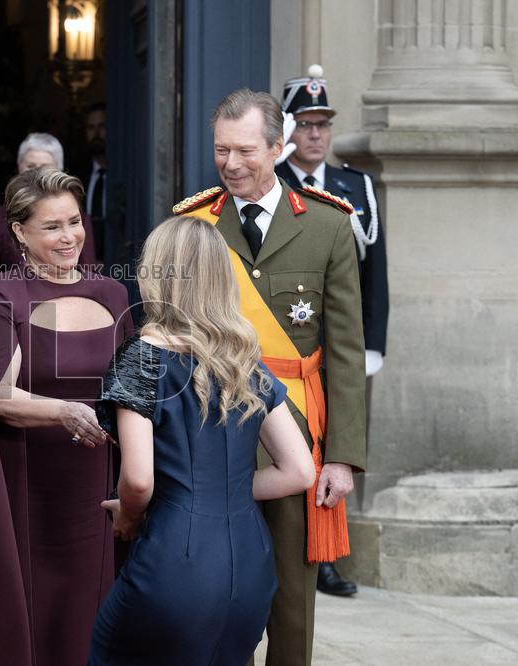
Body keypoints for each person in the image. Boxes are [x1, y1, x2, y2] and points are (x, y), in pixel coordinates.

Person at [170, 88, 366, 666]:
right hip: (211, 428)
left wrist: (342, 457)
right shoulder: (192, 225)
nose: (231, 165)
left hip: (298, 433)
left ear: (278, 148)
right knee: (208, 589)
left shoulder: (328, 226)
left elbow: (347, 351)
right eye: (221, 151)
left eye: (246, 151)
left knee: (291, 598)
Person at [88, 215, 316, 665]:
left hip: (176, 563)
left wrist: (130, 517)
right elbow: (300, 471)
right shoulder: (244, 359)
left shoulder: (142, 356)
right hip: (250, 566)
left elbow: (137, 481)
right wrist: (217, 490)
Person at [0, 167, 134, 666]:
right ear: (18, 232)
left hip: (97, 486)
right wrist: (63, 411)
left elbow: (136, 389)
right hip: (28, 489)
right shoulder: (1, 297)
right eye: (52, 226)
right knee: (35, 621)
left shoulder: (113, 293)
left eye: (74, 222)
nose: (69, 237)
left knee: (92, 618)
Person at [275, 66, 390, 598]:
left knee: (334, 451)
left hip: (337, 348)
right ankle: (296, 555)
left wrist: (372, 344)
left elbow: (374, 274)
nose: (316, 133)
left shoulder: (355, 185)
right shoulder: (275, 185)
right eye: (306, 122)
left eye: (323, 123)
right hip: (290, 347)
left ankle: (325, 557)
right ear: (287, 129)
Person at [0, 132, 97, 280]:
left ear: (58, 171)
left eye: (45, 167)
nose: (37, 174)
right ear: (18, 167)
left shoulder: (78, 217)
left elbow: (89, 273)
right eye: (30, 166)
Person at [79, 102, 107, 261]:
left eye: (102, 126)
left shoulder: (128, 176)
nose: (96, 133)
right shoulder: (78, 174)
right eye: (91, 127)